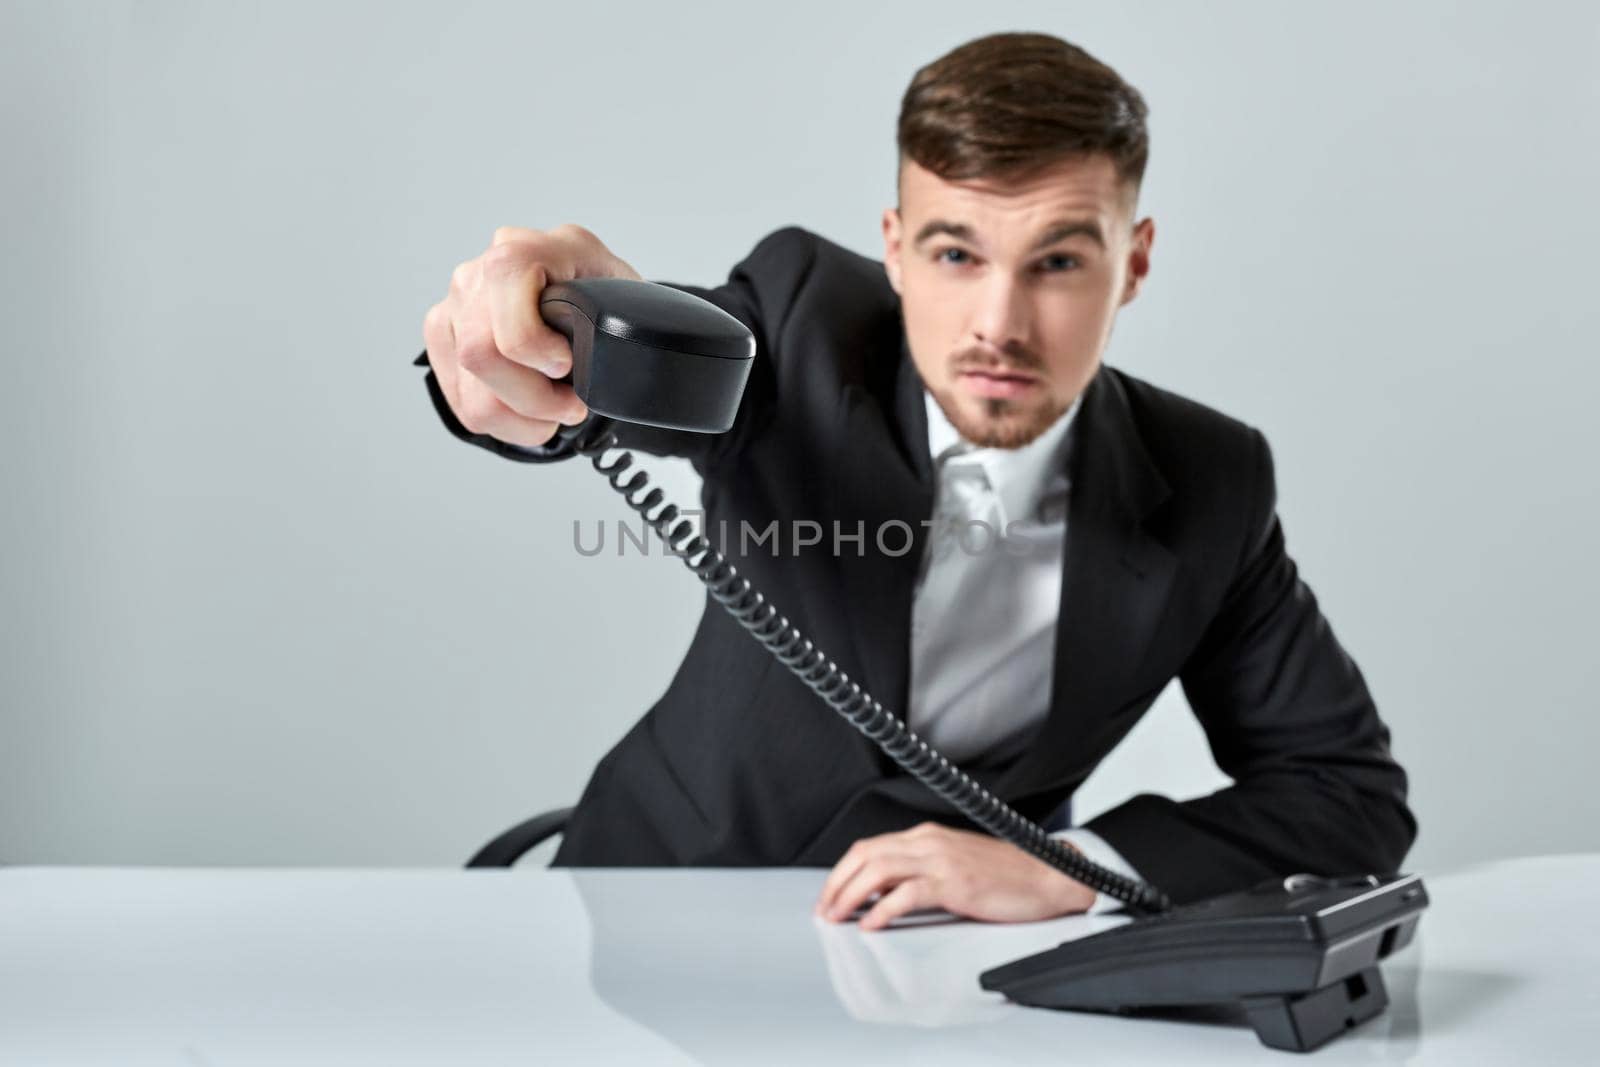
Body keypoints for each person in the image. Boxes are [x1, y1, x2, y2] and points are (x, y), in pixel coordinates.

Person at [413, 32, 1416, 929]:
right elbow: (592, 393)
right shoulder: (803, 326)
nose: (998, 323)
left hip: (955, 972)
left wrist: (1069, 868)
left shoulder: (1211, 478)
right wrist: (528, 348)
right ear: (895, 249)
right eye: (953, 251)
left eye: (1057, 261)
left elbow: (1347, 791)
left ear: (1135, 262)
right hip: (652, 908)